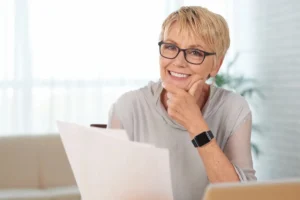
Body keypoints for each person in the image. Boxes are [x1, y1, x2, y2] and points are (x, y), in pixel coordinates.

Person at [107, 5, 256, 200]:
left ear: (216, 65)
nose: (178, 62)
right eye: (170, 47)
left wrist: (196, 125)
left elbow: (242, 197)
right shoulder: (128, 108)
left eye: (195, 52)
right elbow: (107, 191)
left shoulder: (234, 109)